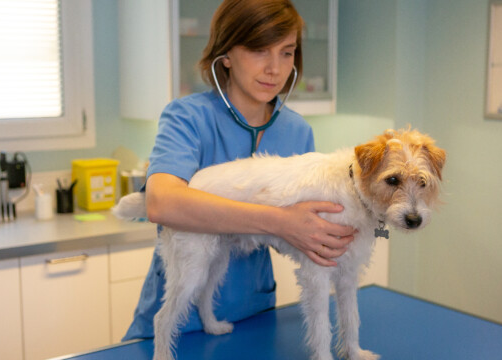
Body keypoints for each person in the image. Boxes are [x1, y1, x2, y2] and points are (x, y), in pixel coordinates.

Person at [123, 0, 356, 340]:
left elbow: (299, 230)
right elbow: (162, 204)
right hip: (182, 322)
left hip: (255, 316)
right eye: (259, 50)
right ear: (227, 54)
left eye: (287, 52)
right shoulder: (187, 117)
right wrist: (280, 220)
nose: (275, 69)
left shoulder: (297, 131)